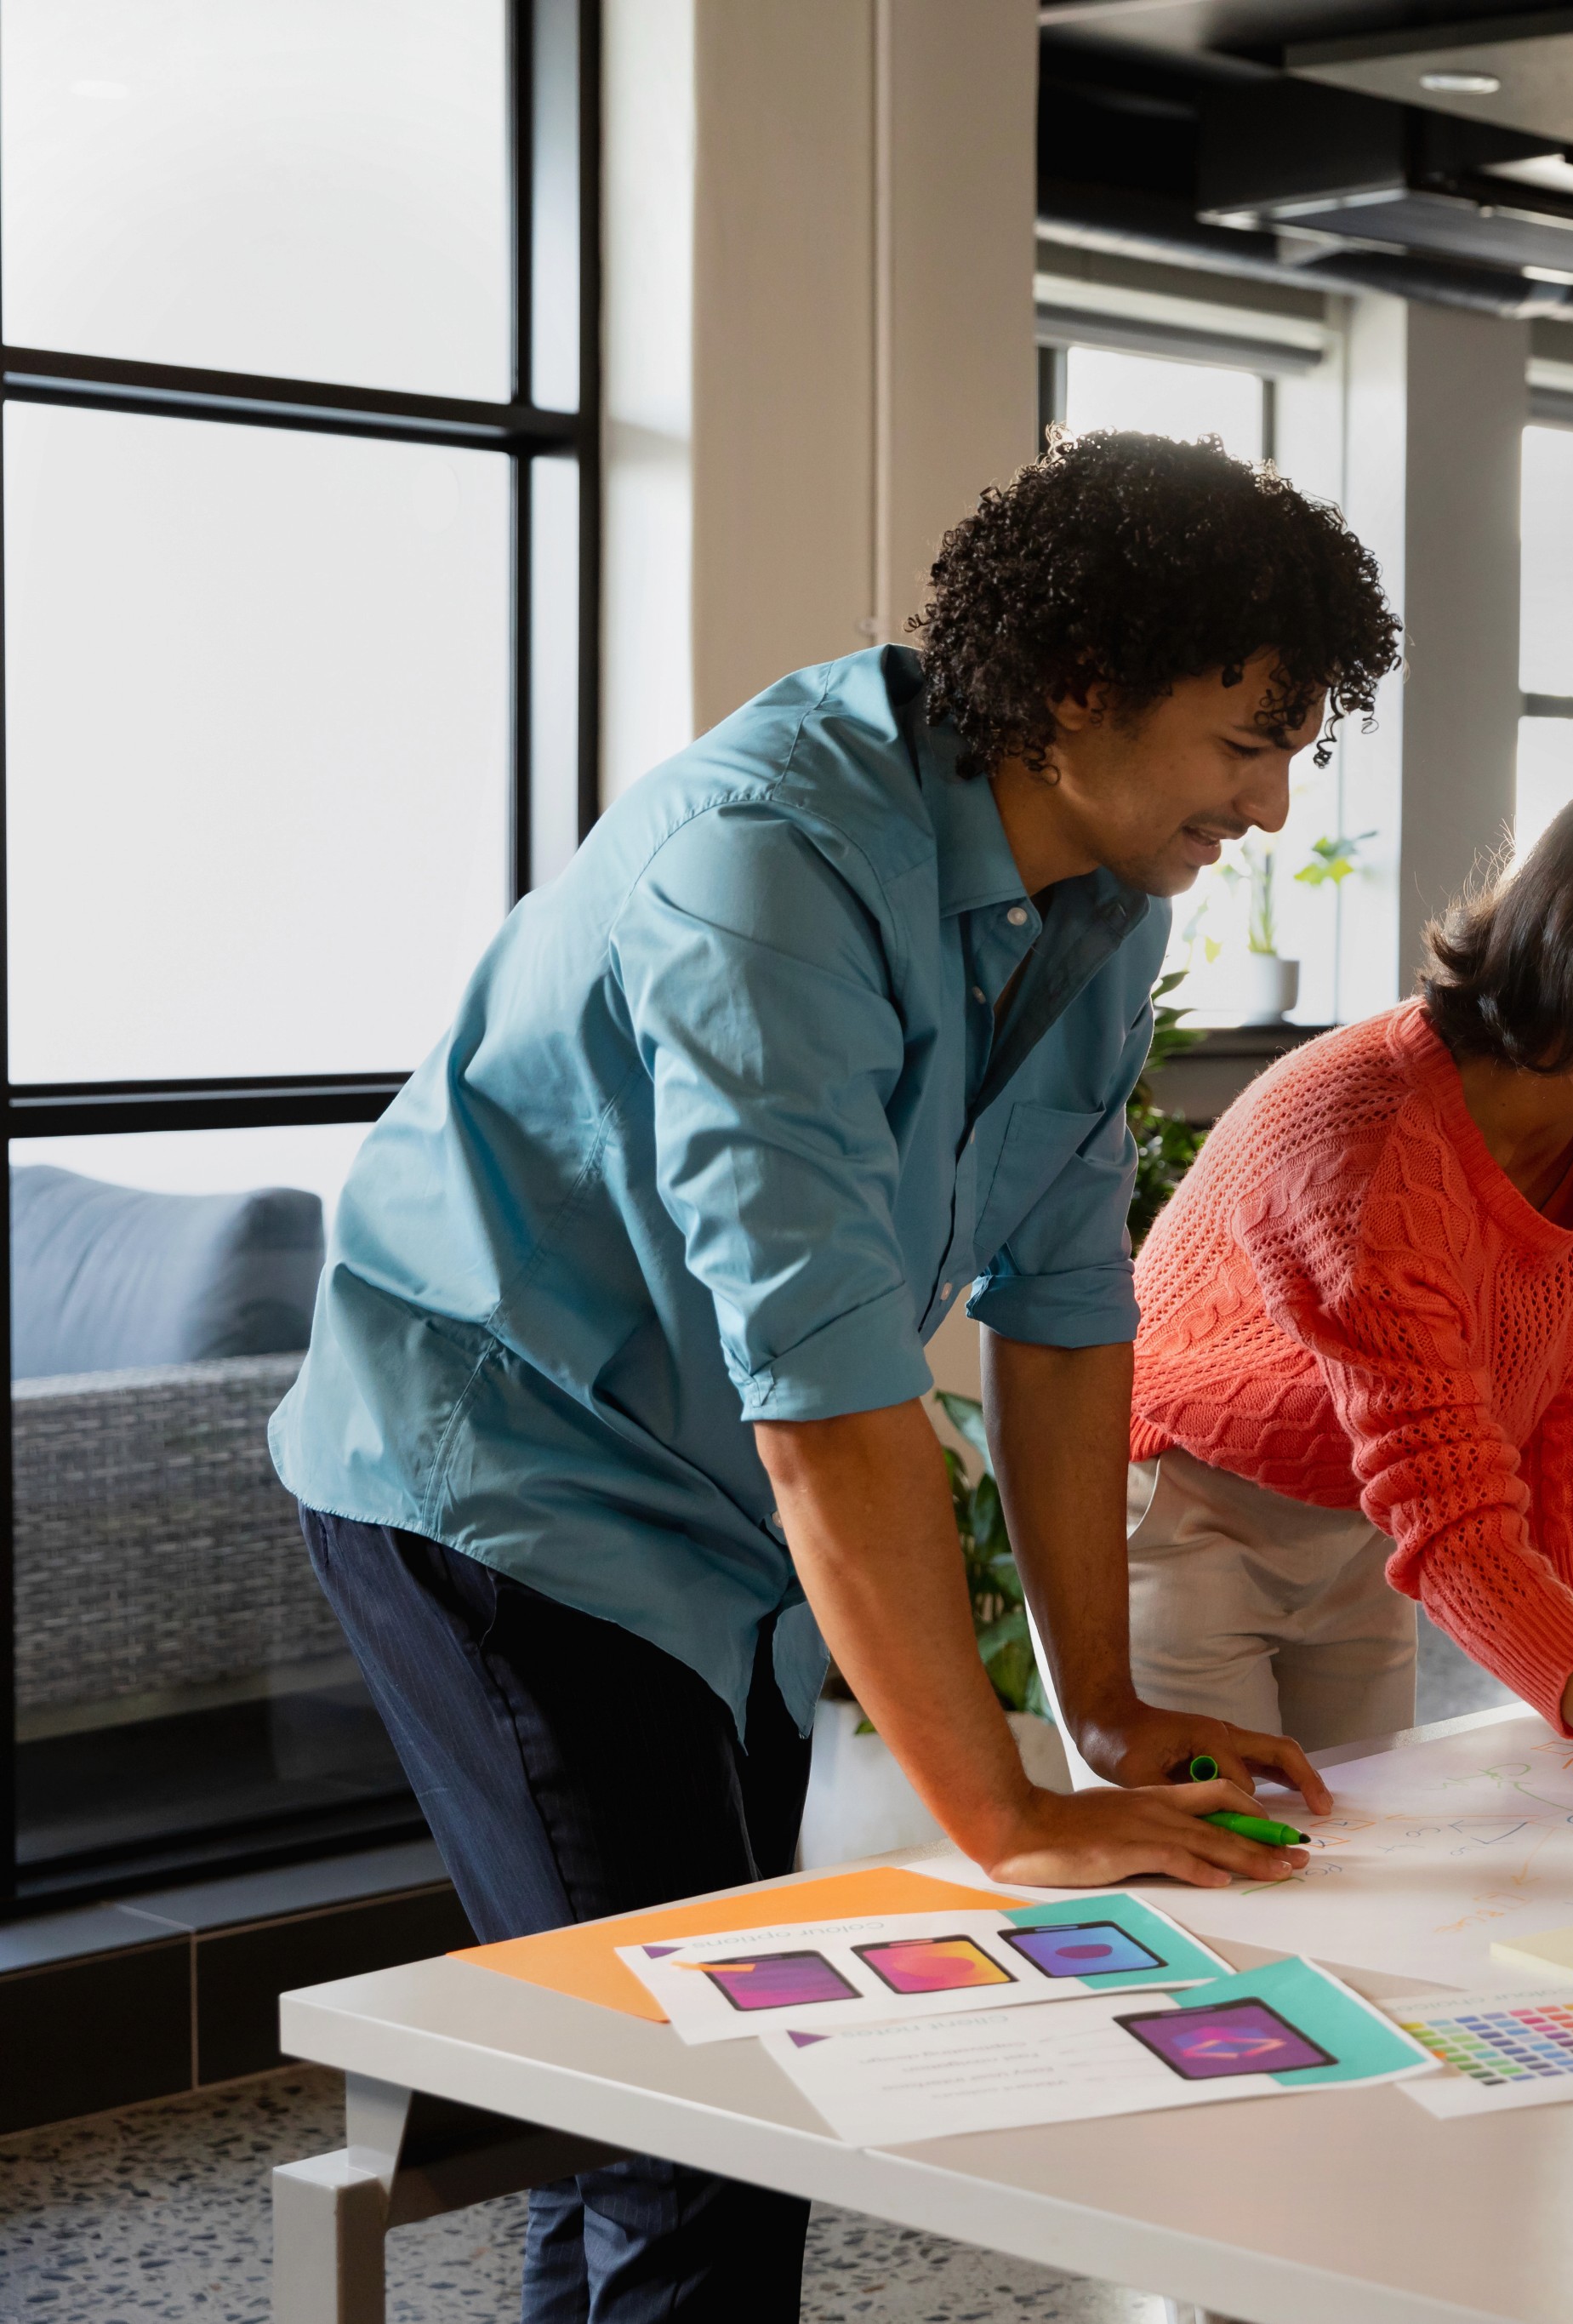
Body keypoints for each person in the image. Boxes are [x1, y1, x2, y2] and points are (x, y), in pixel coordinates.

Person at [267, 431, 1399, 2324]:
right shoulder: (770, 860)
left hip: (716, 1519)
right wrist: (1008, 1814)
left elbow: (1060, 1307)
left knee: (659, 2107)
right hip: (511, 1478)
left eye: (1298, 749)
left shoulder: (1102, 904)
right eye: (1244, 743)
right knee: (697, 2124)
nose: (1273, 809)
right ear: (1078, 693)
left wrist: (1101, 1707)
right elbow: (823, 1388)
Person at [1125, 770, 1573, 1845]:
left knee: (1352, 1846)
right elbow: (1454, 1520)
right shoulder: (1367, 1144)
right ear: (1559, 950)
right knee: (1228, 1857)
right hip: (1183, 1508)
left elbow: (1558, 1384)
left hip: (1362, 1514)